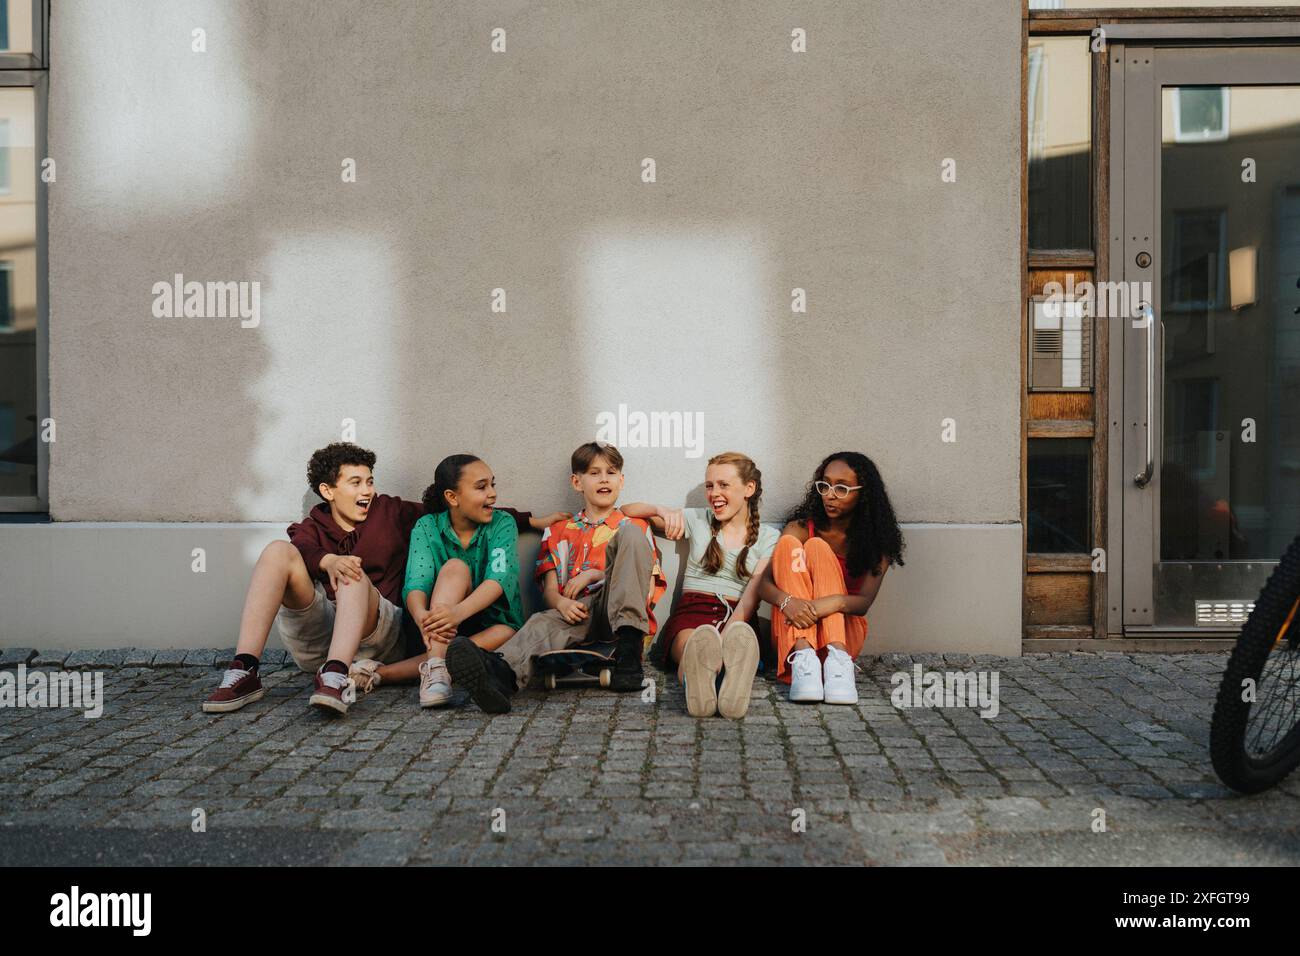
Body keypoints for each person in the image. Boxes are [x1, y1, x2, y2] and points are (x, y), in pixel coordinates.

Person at [446, 441, 666, 713]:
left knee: (631, 536)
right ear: (577, 482)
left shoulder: (634, 526)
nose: (604, 479)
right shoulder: (558, 530)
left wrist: (594, 574)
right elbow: (551, 592)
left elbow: (644, 590)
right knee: (541, 621)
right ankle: (501, 675)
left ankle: (629, 656)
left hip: (621, 615)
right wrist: (562, 605)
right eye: (594, 473)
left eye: (611, 472)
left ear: (621, 480)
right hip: (575, 614)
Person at [623, 451, 778, 719]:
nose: (714, 493)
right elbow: (626, 511)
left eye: (724, 485)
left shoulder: (768, 537)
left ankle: (730, 683)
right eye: (709, 485)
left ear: (749, 489)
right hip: (693, 612)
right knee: (694, 647)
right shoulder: (698, 519)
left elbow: (751, 597)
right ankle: (701, 689)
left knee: (736, 641)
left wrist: (726, 637)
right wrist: (661, 510)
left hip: (738, 616)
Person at [757, 452, 904, 704]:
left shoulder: (877, 541)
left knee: (816, 548)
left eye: (842, 488)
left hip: (844, 633)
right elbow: (763, 585)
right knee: (790, 544)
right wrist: (787, 602)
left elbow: (864, 603)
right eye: (824, 485)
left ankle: (838, 664)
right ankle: (805, 660)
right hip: (795, 626)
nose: (830, 494)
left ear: (863, 494)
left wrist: (830, 603)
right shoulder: (801, 527)